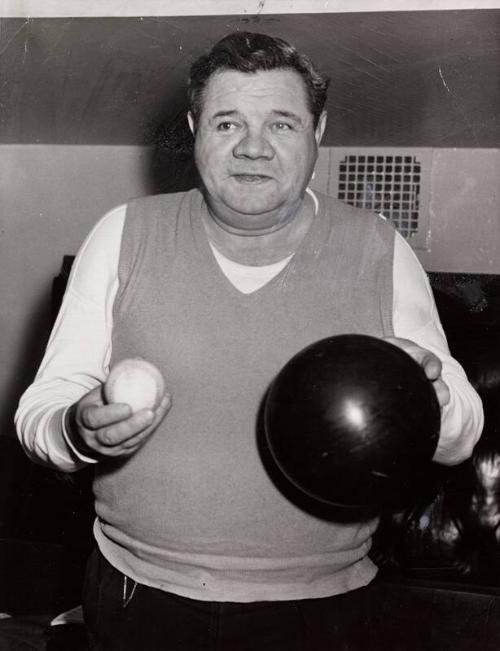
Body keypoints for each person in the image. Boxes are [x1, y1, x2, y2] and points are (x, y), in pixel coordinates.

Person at [15, 32, 483, 650]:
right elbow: (40, 408)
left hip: (323, 610)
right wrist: (78, 428)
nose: (253, 149)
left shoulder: (378, 248)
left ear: (318, 131)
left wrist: (430, 395)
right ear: (193, 128)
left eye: (282, 124)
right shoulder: (124, 233)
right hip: (139, 598)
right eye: (228, 122)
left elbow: (462, 436)